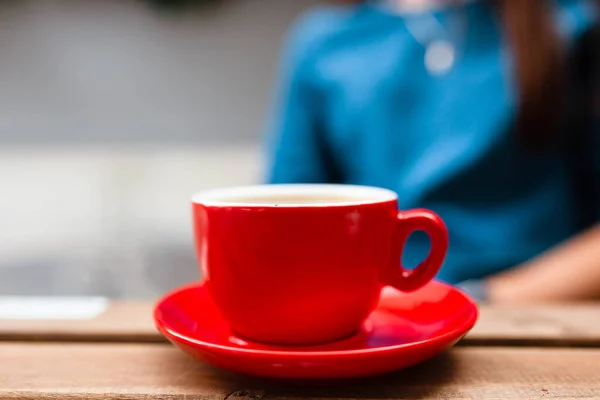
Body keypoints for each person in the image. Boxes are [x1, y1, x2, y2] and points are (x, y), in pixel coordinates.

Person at [263, 0, 600, 303]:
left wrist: (479, 297)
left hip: (533, 314)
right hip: (378, 318)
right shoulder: (325, 43)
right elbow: (284, 225)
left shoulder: (571, 24)